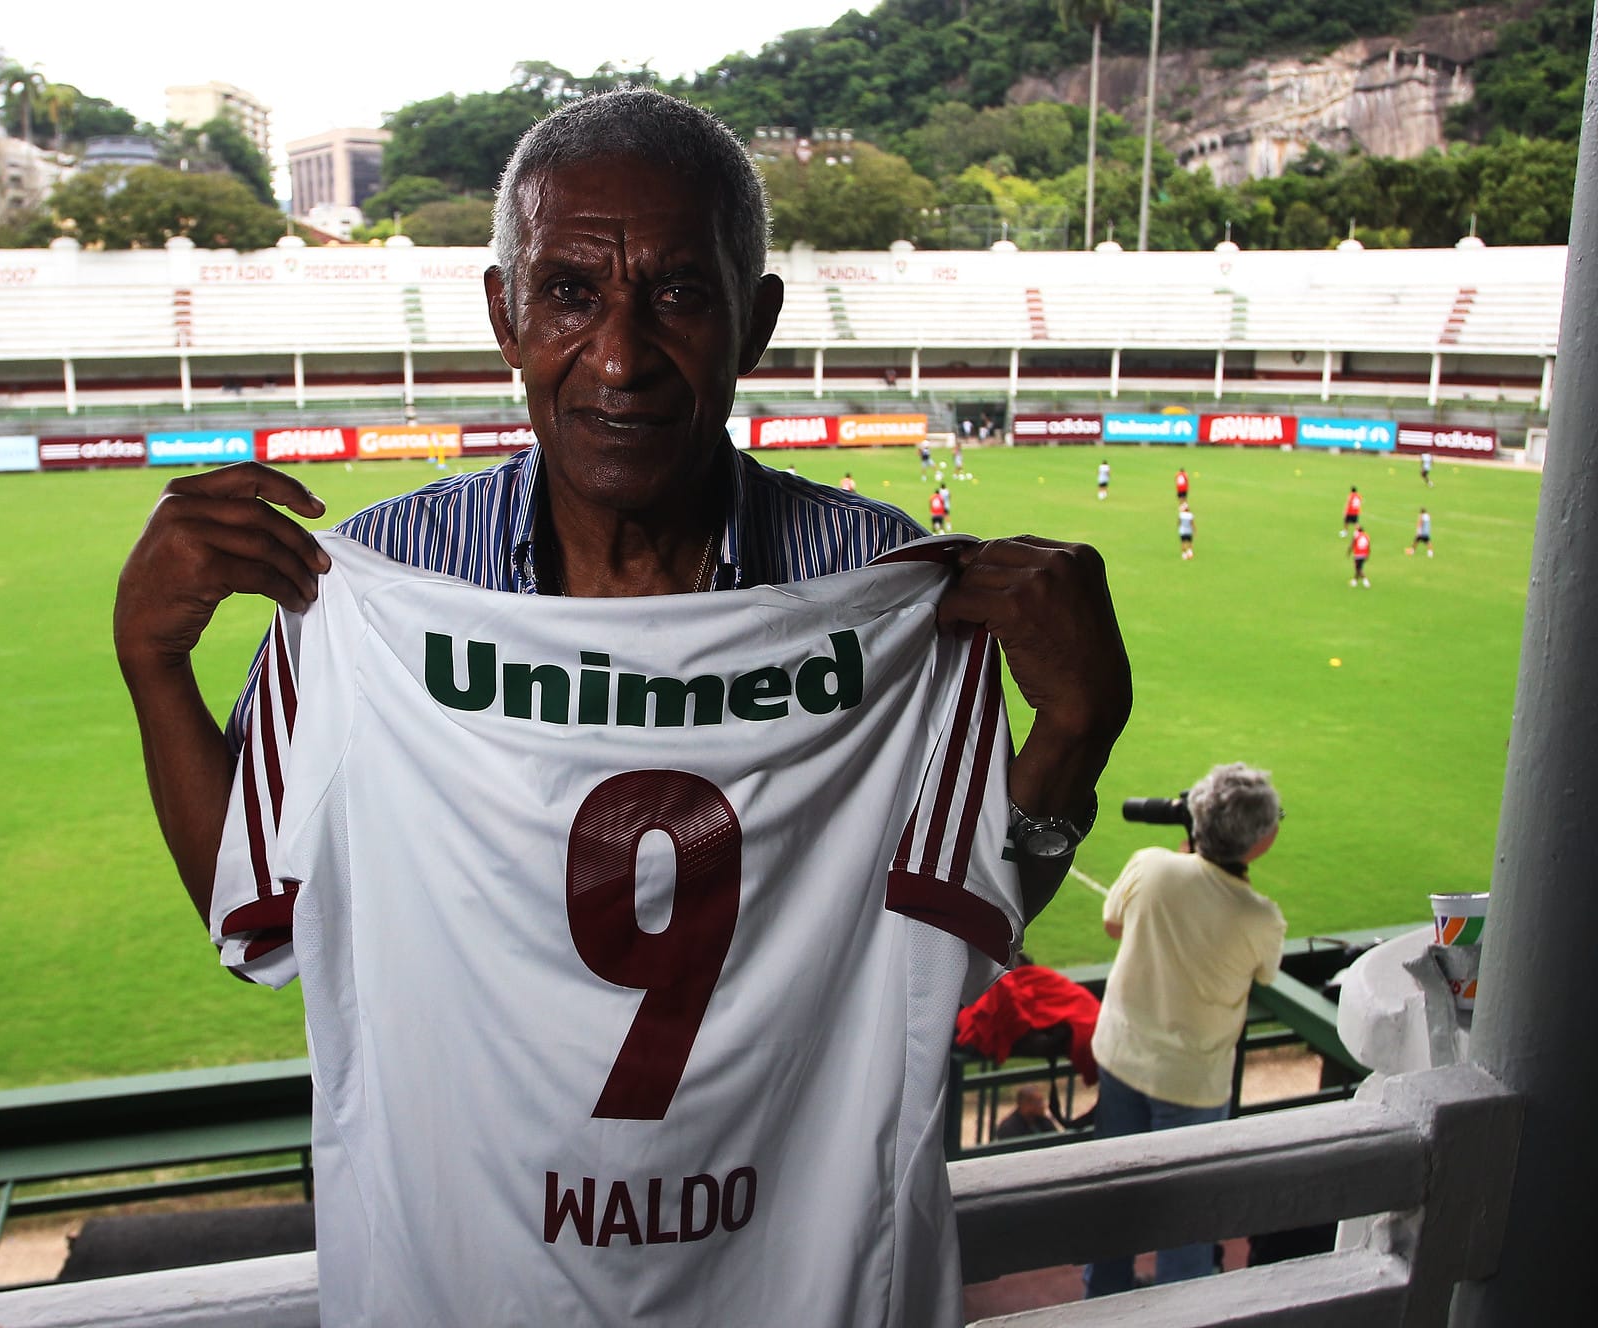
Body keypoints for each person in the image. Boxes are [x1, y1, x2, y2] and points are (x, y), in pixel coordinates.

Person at [114, 87, 1130, 1327]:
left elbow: (955, 923)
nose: (617, 354)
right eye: (568, 292)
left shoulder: (880, 588)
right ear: (502, 311)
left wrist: (1073, 736)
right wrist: (153, 668)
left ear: (752, 322)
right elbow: (252, 898)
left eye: (678, 293)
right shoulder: (368, 589)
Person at [1084, 763, 1287, 1298]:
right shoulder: (1261, 917)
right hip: (1193, 1083)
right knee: (1187, 1218)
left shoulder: (1151, 867)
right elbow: (1264, 973)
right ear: (1259, 843)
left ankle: (1101, 1302)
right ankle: (1183, 1306)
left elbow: (1113, 924)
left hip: (1121, 1059)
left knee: (1113, 1201)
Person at [995, 1085, 1064, 1140]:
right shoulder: (1008, 1128)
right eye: (1038, 1103)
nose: (1043, 1106)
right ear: (1025, 1105)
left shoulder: (1043, 1120)